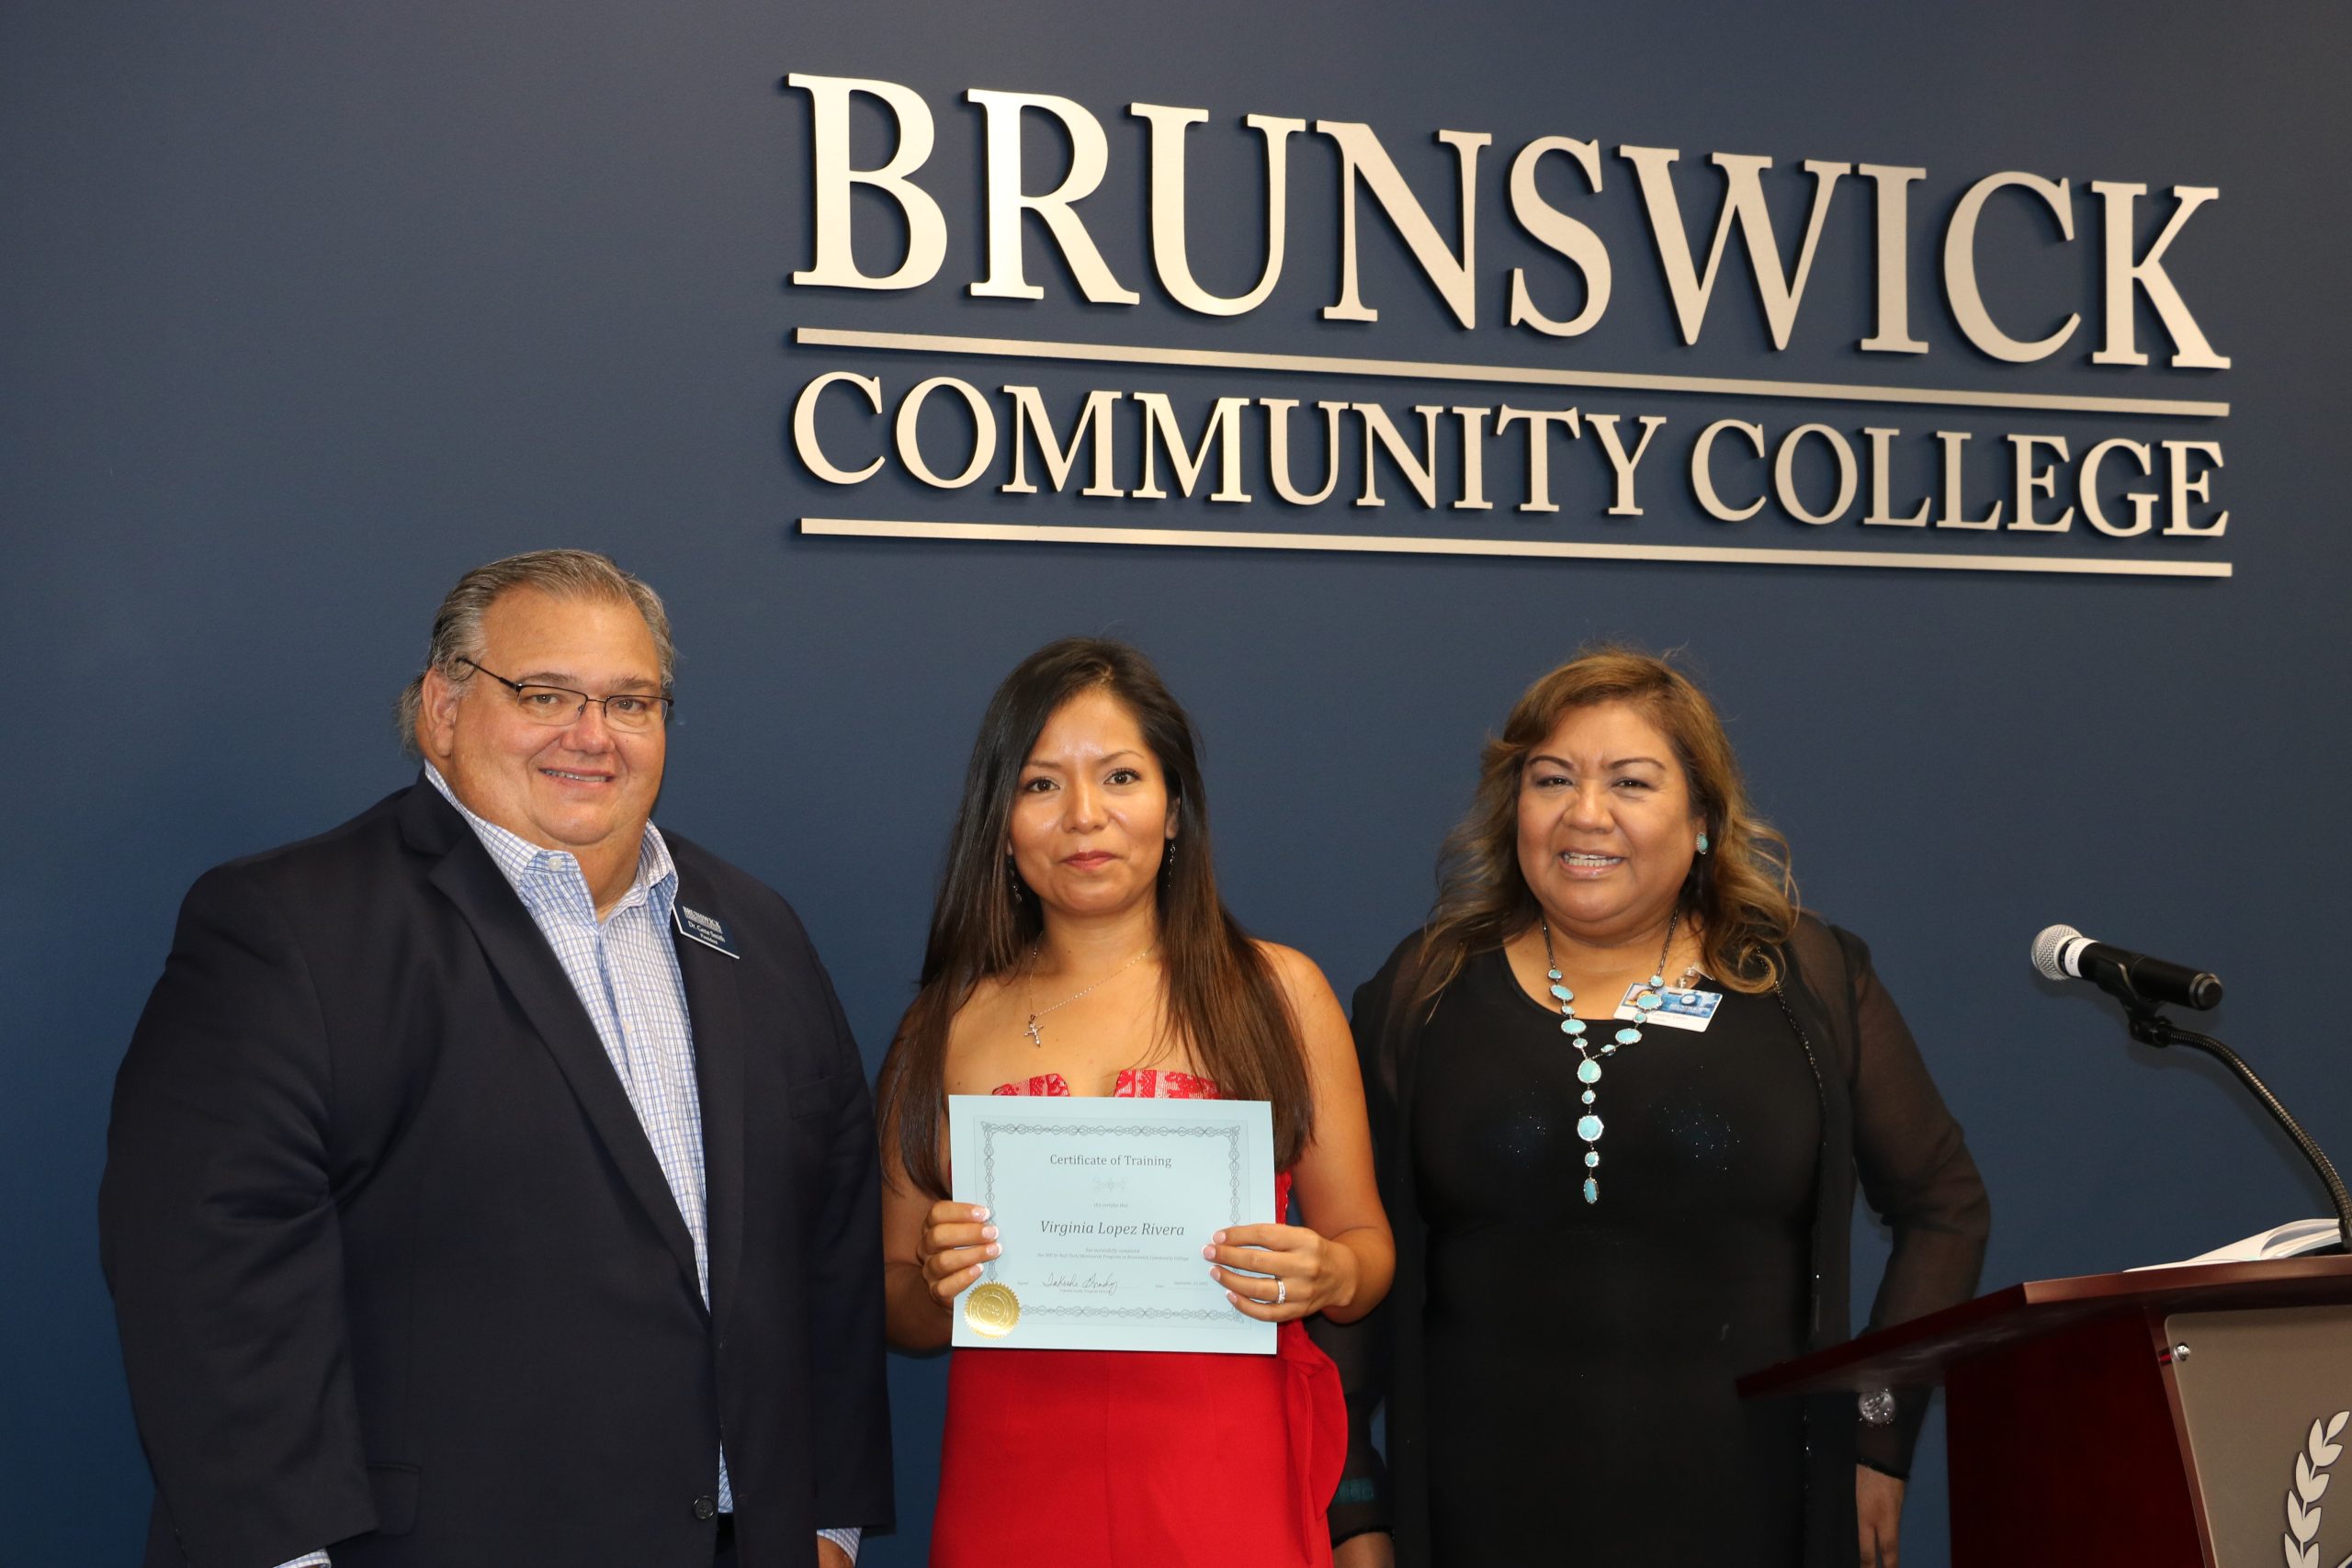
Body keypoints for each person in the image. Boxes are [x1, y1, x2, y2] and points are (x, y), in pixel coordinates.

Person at [99, 549, 891, 1568]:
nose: (592, 736)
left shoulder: (753, 927)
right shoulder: (289, 927)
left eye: (630, 702)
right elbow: (208, 1280)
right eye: (546, 693)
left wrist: (827, 1524)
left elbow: (827, 1243)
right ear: (442, 708)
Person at [1317, 648, 1990, 1568]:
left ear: (1704, 819)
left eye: (1630, 782)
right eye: (1550, 779)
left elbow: (1944, 1207)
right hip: (1478, 1517)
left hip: (1758, 1517)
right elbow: (1356, 1252)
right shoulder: (1422, 990)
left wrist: (1875, 1434)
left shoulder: (1809, 980)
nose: (1583, 814)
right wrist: (1354, 1500)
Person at [875, 637, 1394, 1568]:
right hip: (1014, 1487)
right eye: (1040, 786)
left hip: (1222, 1483)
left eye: (1119, 776)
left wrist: (1329, 1276)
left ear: (1172, 809)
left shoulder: (1276, 992)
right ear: (998, 822)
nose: (1084, 818)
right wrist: (933, 1272)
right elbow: (898, 1312)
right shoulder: (940, 1028)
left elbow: (1366, 1251)